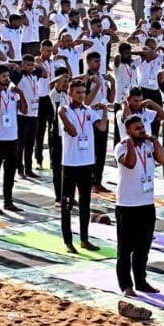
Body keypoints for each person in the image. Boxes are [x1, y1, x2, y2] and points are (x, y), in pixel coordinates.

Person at [114, 114, 164, 296]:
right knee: (125, 248)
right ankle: (126, 285)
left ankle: (141, 281)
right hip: (127, 205)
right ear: (128, 131)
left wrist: (155, 141)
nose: (142, 131)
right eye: (137, 128)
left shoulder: (148, 146)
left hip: (146, 203)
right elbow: (130, 163)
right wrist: (130, 144)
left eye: (142, 127)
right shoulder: (121, 147)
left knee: (143, 247)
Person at [58, 76, 102, 253]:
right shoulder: (65, 111)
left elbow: (102, 127)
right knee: (67, 203)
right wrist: (61, 114)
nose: (81, 96)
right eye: (77, 92)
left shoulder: (88, 111)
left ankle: (84, 239)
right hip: (70, 162)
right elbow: (73, 132)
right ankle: (68, 240)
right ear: (70, 93)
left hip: (87, 162)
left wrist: (104, 112)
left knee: (86, 203)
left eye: (83, 92)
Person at [0, 64, 26, 214]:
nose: (7, 79)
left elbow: (24, 110)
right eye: (3, 76)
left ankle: (8, 202)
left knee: (10, 173)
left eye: (7, 76)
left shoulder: (12, 94)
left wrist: (21, 93)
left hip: (12, 138)